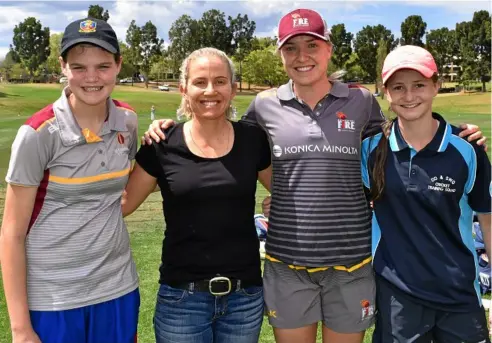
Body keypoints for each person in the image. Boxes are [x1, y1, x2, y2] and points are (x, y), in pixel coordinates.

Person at [142, 9, 486, 343]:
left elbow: (402, 127)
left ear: (328, 50)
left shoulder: (361, 101)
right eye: (290, 47)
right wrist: (169, 128)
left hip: (351, 264)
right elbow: (225, 137)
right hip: (287, 264)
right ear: (280, 55)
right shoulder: (263, 106)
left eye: (312, 45)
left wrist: (456, 133)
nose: (301, 56)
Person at [0, 18, 139, 343]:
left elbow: (121, 192)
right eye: (79, 67)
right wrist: (20, 329)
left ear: (118, 65)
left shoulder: (128, 122)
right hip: (54, 301)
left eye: (103, 66)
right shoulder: (37, 135)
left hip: (117, 289)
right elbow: (11, 233)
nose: (92, 78)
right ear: (63, 67)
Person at [122, 47, 272, 343]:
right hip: (182, 300)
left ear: (232, 87)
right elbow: (122, 205)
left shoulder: (253, 139)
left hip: (244, 297)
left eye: (220, 81)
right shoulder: (161, 144)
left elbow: (286, 192)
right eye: (200, 82)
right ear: (184, 89)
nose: (210, 90)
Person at [361, 45, 491, 343]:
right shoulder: (369, 150)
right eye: (398, 87)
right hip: (398, 298)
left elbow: (488, 221)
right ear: (385, 93)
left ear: (436, 85)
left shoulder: (467, 149)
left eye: (419, 85)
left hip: (459, 295)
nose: (409, 96)